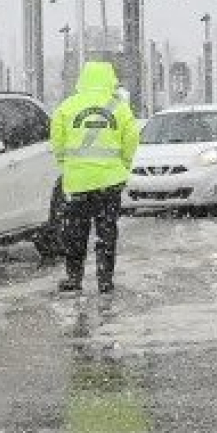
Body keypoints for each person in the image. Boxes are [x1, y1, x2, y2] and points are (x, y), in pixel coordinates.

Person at [50, 60, 139, 294]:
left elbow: (56, 139)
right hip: (109, 182)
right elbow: (131, 138)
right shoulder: (118, 108)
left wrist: (66, 164)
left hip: (77, 183)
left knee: (75, 233)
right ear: (110, 80)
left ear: (82, 79)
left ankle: (73, 277)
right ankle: (105, 279)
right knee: (106, 232)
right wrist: (124, 164)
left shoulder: (67, 107)